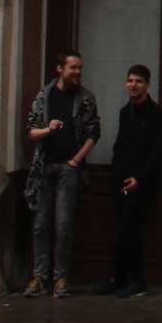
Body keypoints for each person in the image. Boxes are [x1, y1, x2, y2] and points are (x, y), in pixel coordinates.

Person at [23, 49, 100, 300]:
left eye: (79, 68)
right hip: (44, 167)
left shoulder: (86, 98)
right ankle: (39, 277)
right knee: (41, 224)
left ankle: (61, 279)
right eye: (73, 68)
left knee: (63, 225)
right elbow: (31, 132)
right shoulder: (44, 96)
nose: (77, 72)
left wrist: (76, 161)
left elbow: (93, 133)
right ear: (60, 69)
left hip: (68, 169)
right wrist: (48, 129)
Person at [109, 63, 162, 299]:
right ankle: (119, 279)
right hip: (121, 181)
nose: (133, 85)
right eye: (130, 81)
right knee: (120, 230)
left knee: (132, 230)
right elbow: (120, 146)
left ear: (147, 85)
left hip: (142, 184)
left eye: (138, 81)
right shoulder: (125, 112)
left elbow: (157, 153)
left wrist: (139, 178)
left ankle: (138, 281)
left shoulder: (157, 115)